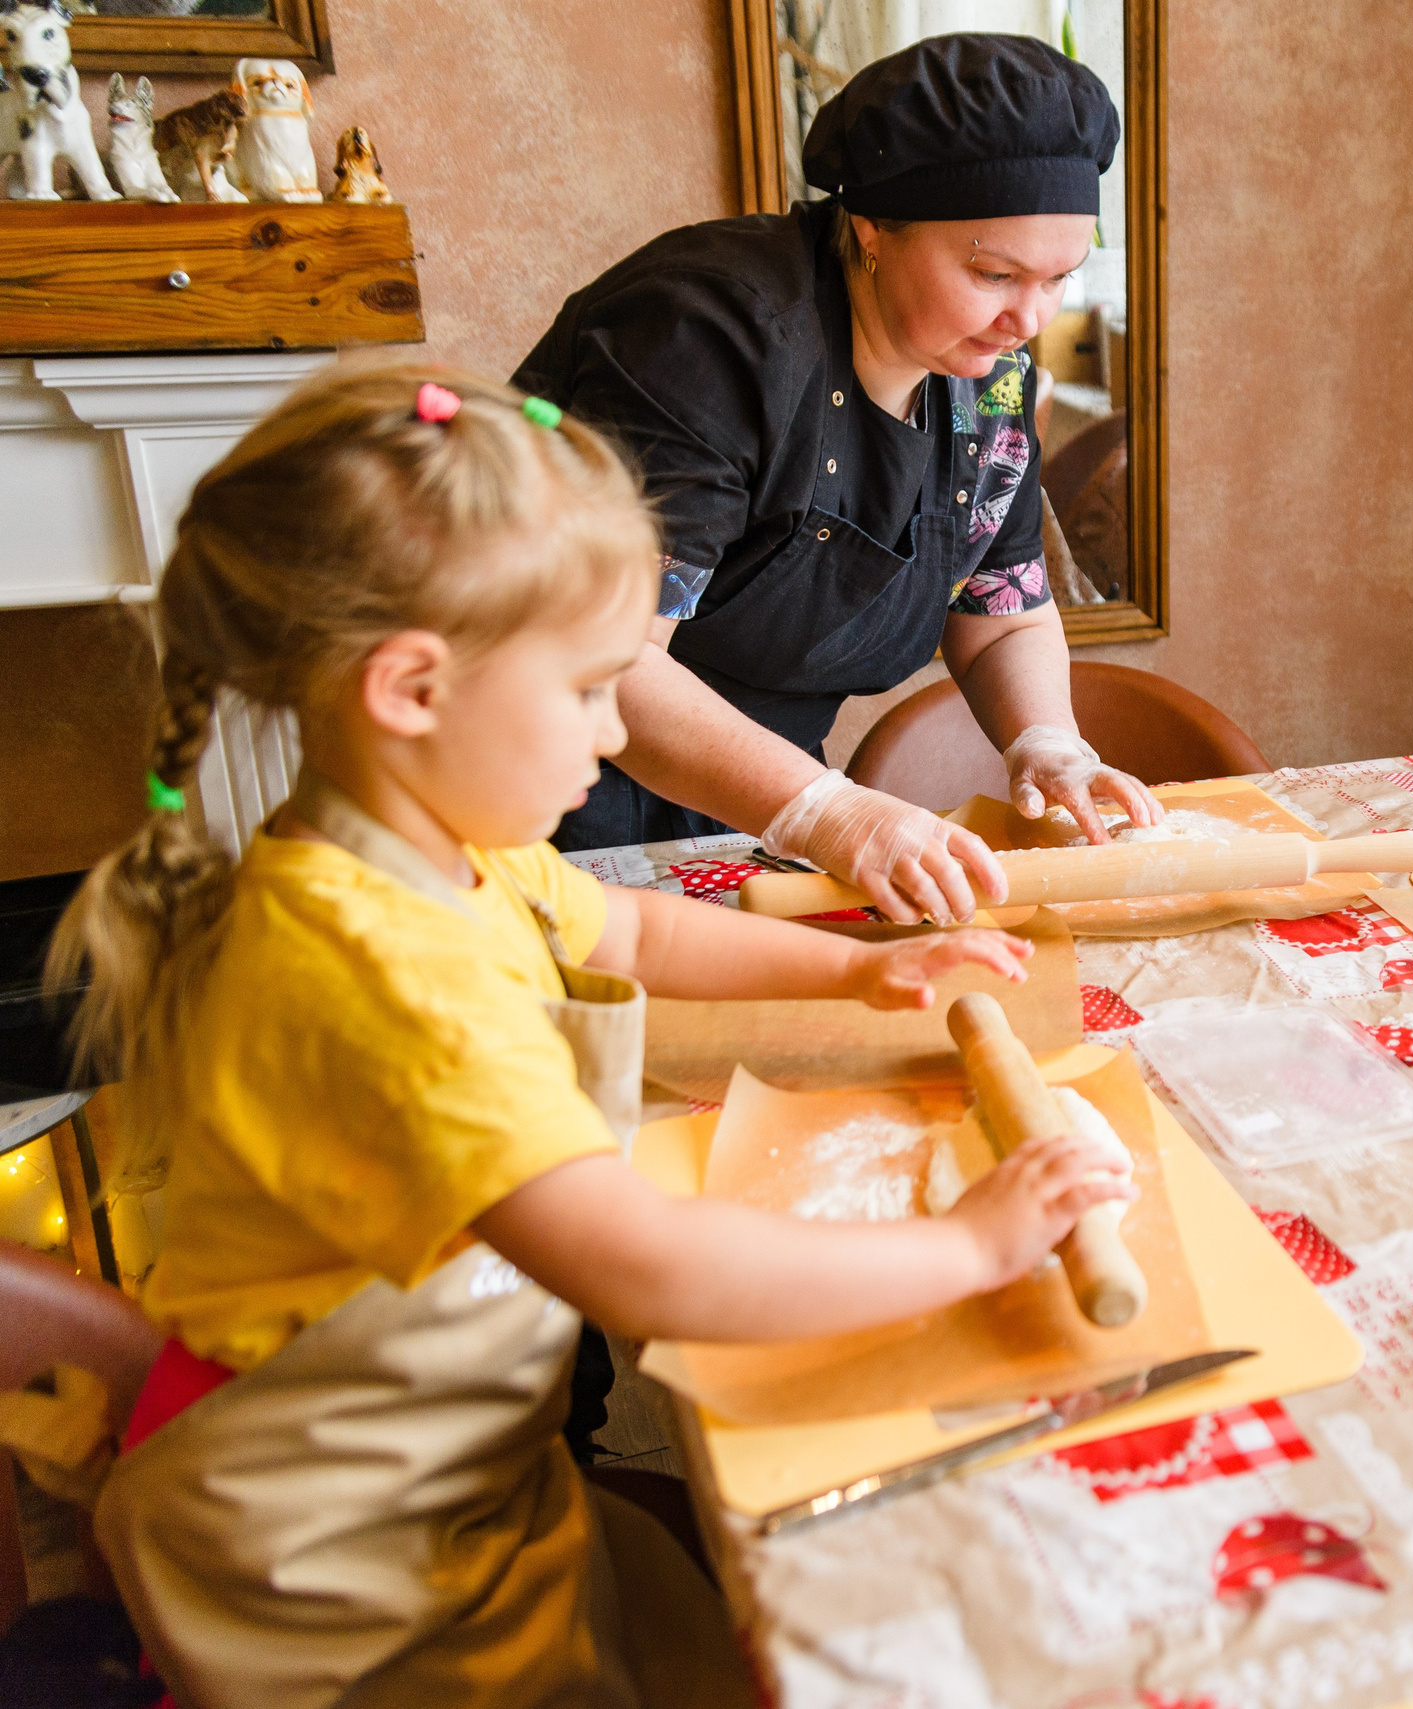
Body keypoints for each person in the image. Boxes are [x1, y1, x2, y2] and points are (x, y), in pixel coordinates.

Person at [44, 366, 1133, 1709]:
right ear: (412, 688)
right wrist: (971, 1246)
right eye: (589, 688)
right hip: (327, 1549)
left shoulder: (440, 850)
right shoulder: (377, 972)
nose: (619, 731)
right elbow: (650, 1268)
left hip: (451, 1466)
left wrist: (863, 970)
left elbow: (639, 933)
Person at [514, 32, 1161, 925]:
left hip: (753, 803)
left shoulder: (992, 382)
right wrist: (829, 811)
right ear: (871, 228)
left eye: (1058, 279)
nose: (1029, 318)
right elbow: (604, 652)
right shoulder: (707, 336)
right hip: (543, 792)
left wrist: (1046, 739)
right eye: (994, 273)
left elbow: (1001, 613)